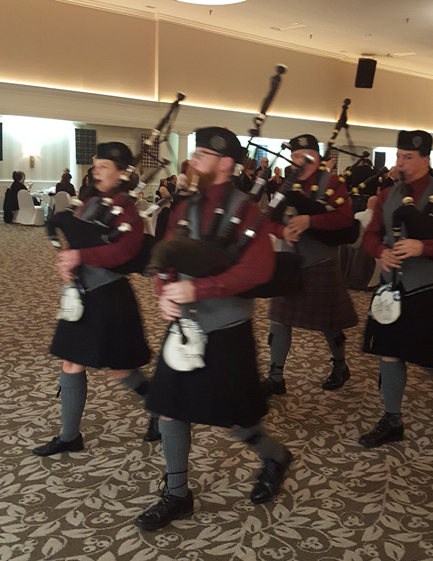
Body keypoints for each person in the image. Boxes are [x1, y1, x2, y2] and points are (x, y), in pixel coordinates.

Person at [135, 127, 291, 532]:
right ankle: (177, 495)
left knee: (234, 421)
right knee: (169, 411)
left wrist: (198, 287)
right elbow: (166, 254)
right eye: (194, 153)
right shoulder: (186, 206)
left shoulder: (248, 210)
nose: (193, 161)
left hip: (226, 327)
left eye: (202, 154)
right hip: (184, 324)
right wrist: (164, 291)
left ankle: (274, 455)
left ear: (225, 163)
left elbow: (259, 270)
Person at [32, 142, 159, 457]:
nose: (95, 170)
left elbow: (123, 252)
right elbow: (78, 238)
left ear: (122, 174)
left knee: (121, 368)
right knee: (71, 359)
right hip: (81, 294)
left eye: (103, 166)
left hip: (110, 297)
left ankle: (159, 407)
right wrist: (67, 259)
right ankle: (69, 435)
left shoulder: (128, 211)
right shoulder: (89, 202)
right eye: (95, 164)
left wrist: (80, 254)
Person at [359, 130, 433, 448]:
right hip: (390, 287)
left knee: (430, 357)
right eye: (398, 157)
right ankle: (392, 420)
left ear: (426, 159)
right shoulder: (388, 194)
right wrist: (379, 252)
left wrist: (422, 246)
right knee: (389, 354)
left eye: (407, 158)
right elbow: (372, 233)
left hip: (427, 287)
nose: (400, 164)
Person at [261, 134, 358, 398]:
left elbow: (345, 219)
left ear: (317, 158)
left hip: (321, 262)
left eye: (307, 156)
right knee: (278, 321)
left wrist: (311, 222)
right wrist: (282, 231)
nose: (300, 161)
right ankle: (276, 376)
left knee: (330, 323)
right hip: (289, 262)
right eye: (295, 156)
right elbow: (268, 218)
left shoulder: (334, 183)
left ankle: (340, 366)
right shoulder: (284, 186)